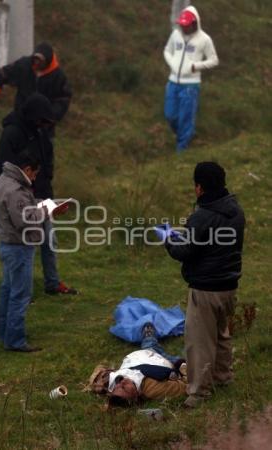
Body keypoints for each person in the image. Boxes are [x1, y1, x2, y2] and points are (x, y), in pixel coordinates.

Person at [164, 162, 245, 407]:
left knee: (199, 342)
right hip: (229, 286)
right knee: (221, 335)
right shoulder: (236, 210)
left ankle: (198, 394)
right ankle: (223, 378)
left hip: (205, 289)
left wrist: (168, 239)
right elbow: (207, 243)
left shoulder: (202, 217)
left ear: (199, 188)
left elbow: (185, 251)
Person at [0, 93, 78, 295]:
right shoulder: (12, 133)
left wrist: (49, 199)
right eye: (42, 120)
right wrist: (19, 195)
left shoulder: (41, 134)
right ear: (33, 116)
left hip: (40, 198)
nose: (45, 124)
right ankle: (18, 290)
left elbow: (46, 167)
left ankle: (52, 283)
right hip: (18, 201)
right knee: (19, 246)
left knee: (49, 240)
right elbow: (1, 169)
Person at [0, 150, 47, 352]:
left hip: (7, 244)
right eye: (34, 174)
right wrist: (47, 210)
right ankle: (15, 340)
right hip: (19, 246)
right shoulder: (15, 189)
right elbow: (24, 220)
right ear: (27, 169)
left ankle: (5, 333)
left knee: (8, 290)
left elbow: (21, 209)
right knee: (20, 294)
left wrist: (39, 205)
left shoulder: (4, 179)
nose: (34, 178)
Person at [88, 323, 187, 405]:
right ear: (134, 397)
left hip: (144, 353)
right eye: (124, 388)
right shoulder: (152, 389)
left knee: (149, 343)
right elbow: (184, 387)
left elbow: (98, 373)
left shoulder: (112, 383)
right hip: (167, 362)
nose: (120, 383)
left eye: (116, 387)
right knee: (187, 361)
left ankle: (148, 335)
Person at [163, 6, 219, 151]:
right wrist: (172, 64)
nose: (184, 28)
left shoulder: (204, 39)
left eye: (186, 26)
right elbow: (167, 51)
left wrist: (196, 66)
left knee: (185, 119)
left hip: (190, 86)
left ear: (194, 24)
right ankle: (185, 134)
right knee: (170, 115)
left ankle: (182, 150)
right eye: (182, 25)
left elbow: (213, 60)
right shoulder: (176, 34)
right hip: (172, 82)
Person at [0, 42, 72, 134]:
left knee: (41, 147)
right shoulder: (24, 65)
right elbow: (4, 73)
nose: (36, 62)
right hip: (21, 118)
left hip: (44, 126)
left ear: (48, 61)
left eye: (40, 60)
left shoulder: (58, 76)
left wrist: (52, 116)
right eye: (35, 59)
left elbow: (63, 99)